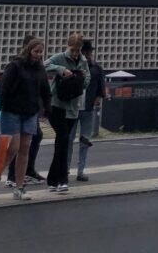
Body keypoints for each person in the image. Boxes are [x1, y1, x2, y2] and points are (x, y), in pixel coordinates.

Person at [0, 36, 52, 200]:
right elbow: (3, 88)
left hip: (30, 112)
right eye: (36, 51)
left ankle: (19, 186)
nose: (38, 55)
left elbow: (45, 90)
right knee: (12, 147)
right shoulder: (15, 66)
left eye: (41, 52)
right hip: (11, 110)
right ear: (29, 50)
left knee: (25, 148)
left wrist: (47, 109)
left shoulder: (40, 69)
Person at [44, 31, 90, 193]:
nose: (76, 54)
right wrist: (61, 70)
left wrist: (81, 78)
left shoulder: (83, 61)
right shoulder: (59, 57)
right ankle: (62, 179)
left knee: (63, 142)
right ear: (68, 47)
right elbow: (45, 65)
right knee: (63, 139)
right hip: (57, 104)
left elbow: (87, 80)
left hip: (72, 106)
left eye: (78, 51)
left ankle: (53, 179)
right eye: (73, 50)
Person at [67, 38, 106, 182]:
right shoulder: (73, 66)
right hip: (73, 106)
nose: (88, 54)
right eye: (85, 51)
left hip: (87, 107)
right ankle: (66, 170)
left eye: (88, 51)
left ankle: (80, 170)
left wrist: (98, 99)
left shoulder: (96, 68)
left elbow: (101, 87)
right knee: (69, 140)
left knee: (85, 140)